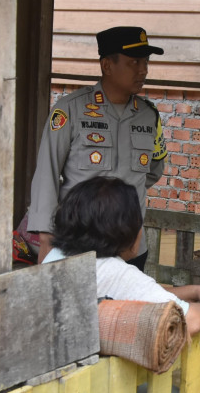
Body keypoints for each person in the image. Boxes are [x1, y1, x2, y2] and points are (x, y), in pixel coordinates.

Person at [28, 26, 168, 270]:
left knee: (128, 308)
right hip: (80, 246)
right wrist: (46, 237)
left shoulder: (149, 115)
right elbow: (46, 174)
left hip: (129, 249)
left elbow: (153, 171)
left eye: (145, 62)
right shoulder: (70, 109)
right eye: (134, 62)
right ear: (107, 65)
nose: (143, 70)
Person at [43, 176, 200, 336]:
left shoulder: (58, 255)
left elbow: (142, 292)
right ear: (123, 229)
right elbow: (192, 320)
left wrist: (197, 290)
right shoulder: (114, 271)